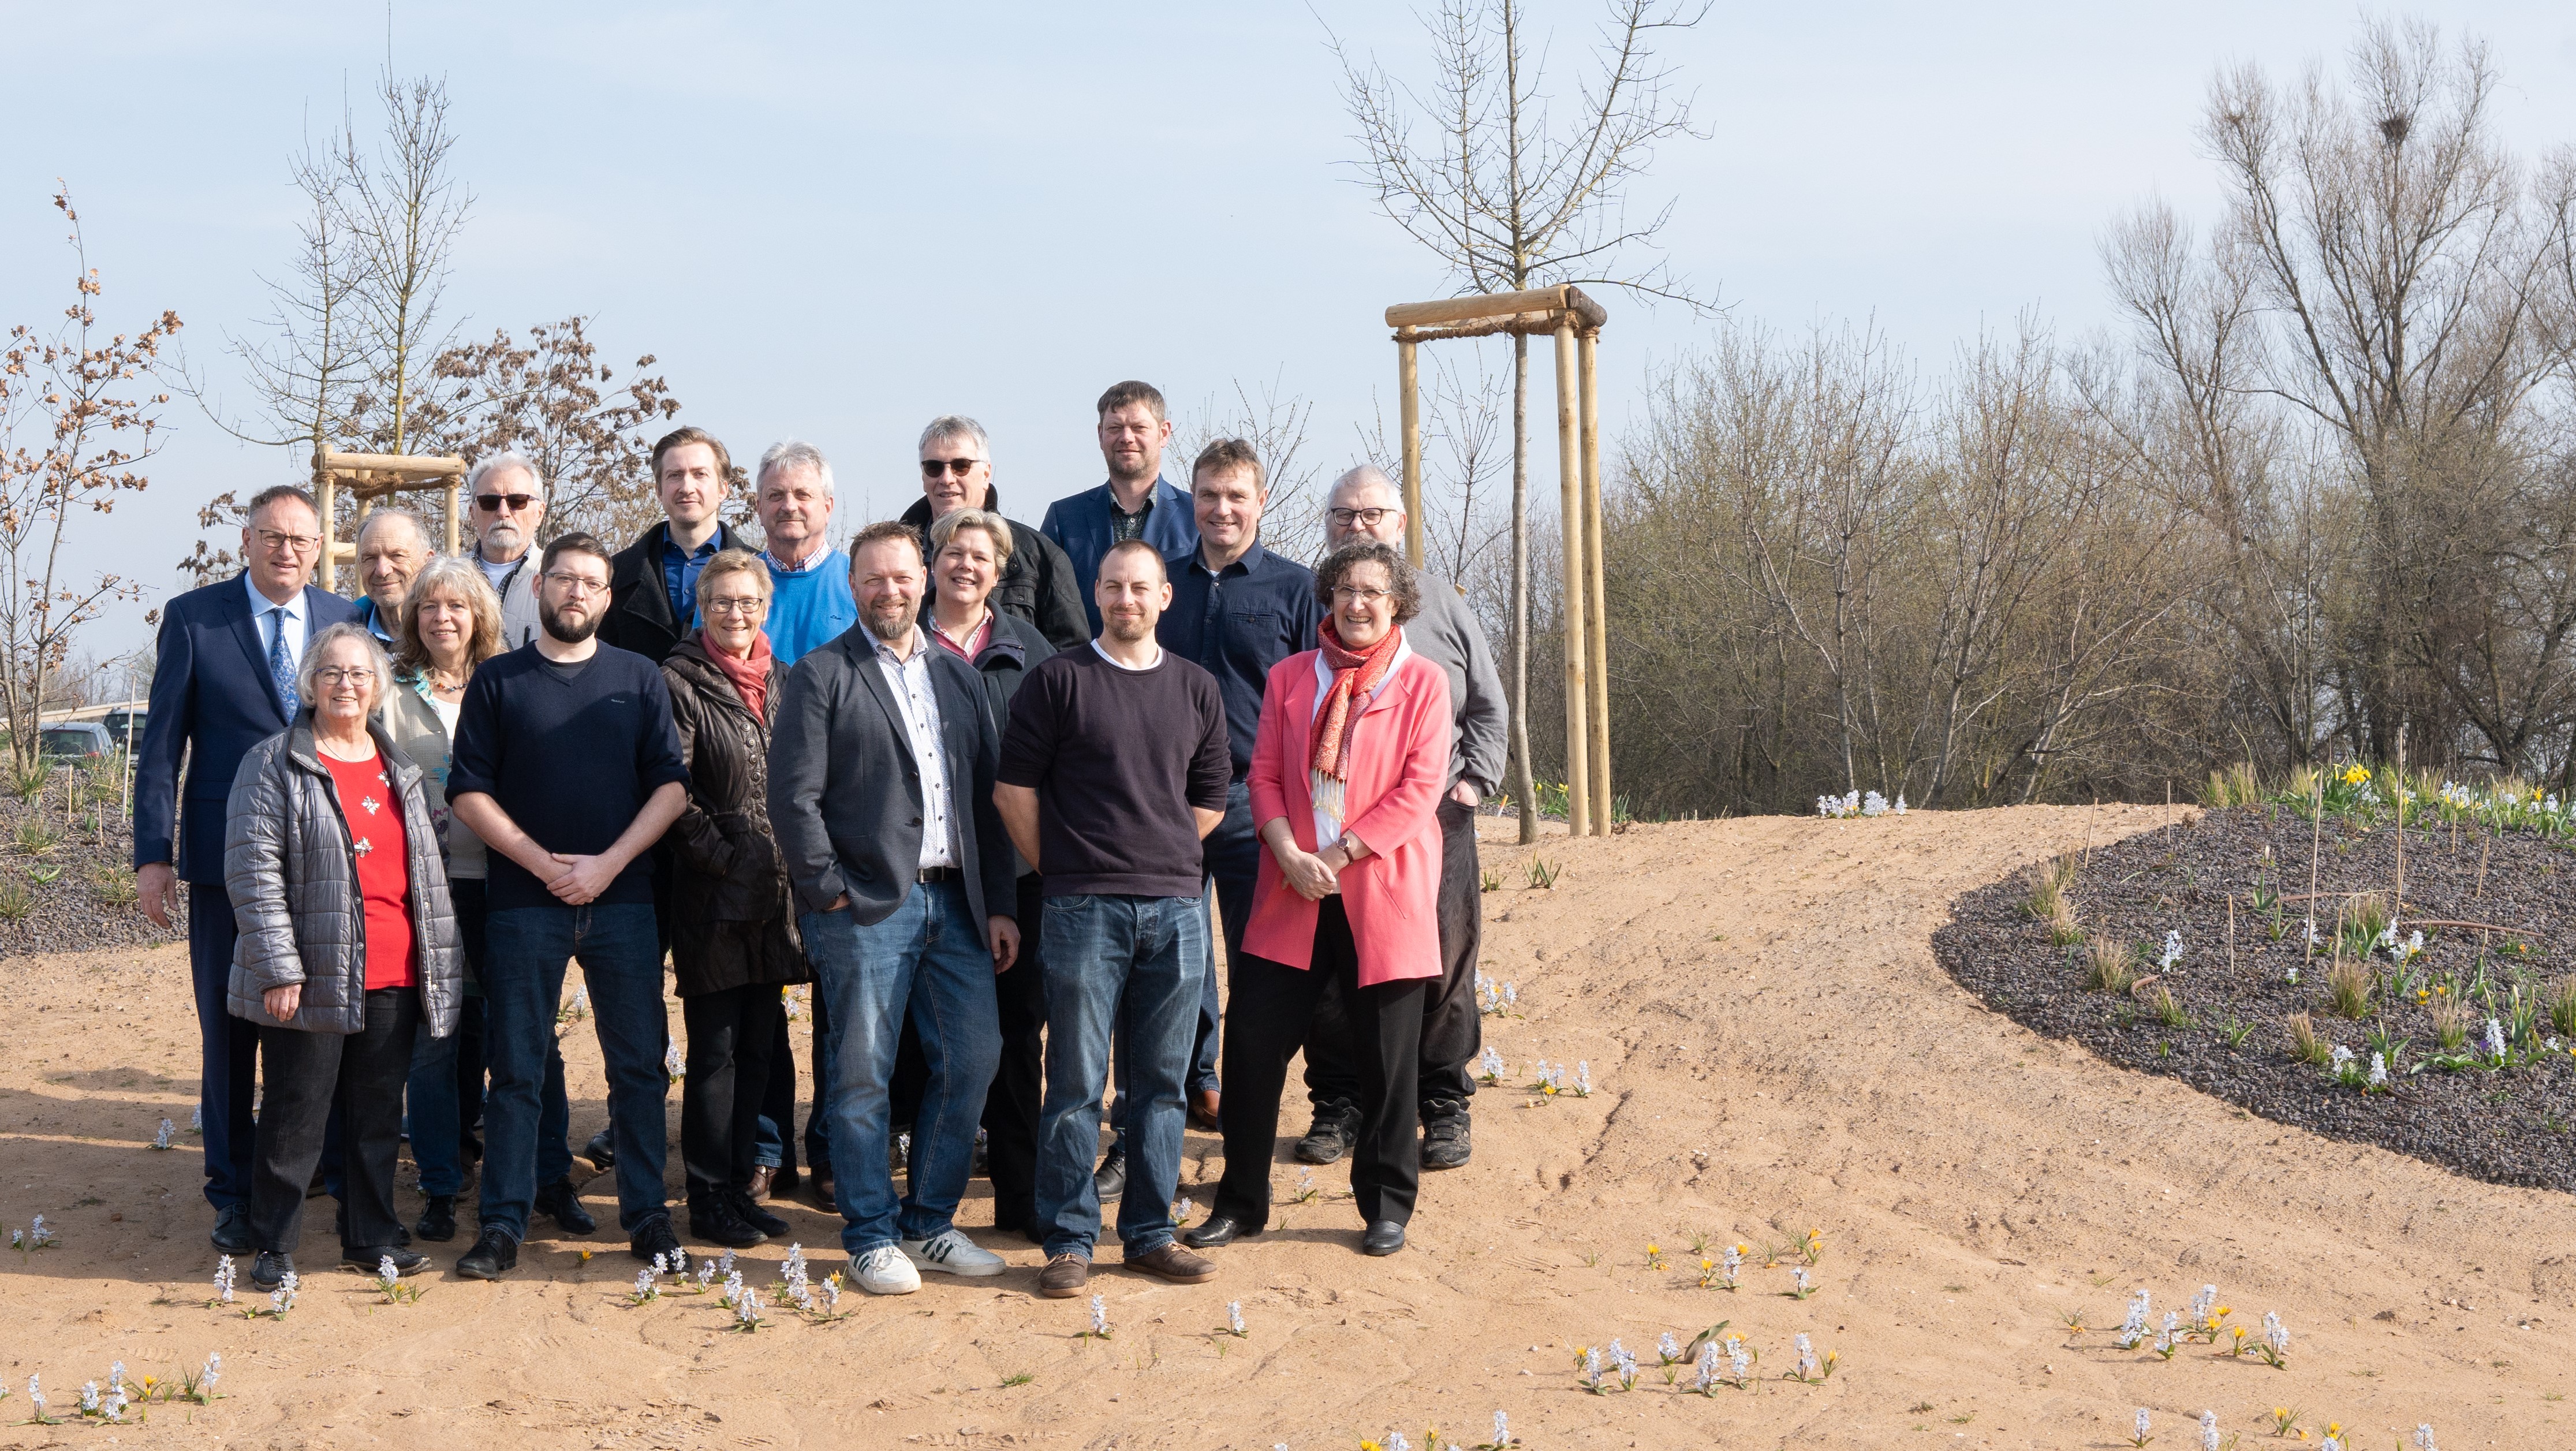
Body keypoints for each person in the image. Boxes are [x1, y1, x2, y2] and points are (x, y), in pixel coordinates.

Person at [767, 522, 1020, 1294]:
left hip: (958, 903)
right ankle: (871, 1234)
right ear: (854, 586)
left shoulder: (958, 675)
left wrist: (1000, 903)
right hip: (866, 909)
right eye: (874, 579)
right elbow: (791, 798)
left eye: (903, 577)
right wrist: (828, 890)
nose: (891, 591)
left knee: (973, 1057)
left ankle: (930, 1222)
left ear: (926, 580)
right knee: (862, 1074)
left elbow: (987, 798)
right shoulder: (821, 674)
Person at [1182, 539, 1449, 1259]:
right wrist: (1286, 851)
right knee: (1253, 1049)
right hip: (1290, 887)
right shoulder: (1290, 677)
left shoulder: (1422, 681)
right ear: (1326, 597)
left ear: (1396, 603)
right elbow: (1262, 773)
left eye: (1372, 591)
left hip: (1379, 890)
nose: (1356, 603)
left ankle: (1386, 1204)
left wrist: (1336, 854)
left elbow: (1419, 791)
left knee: (1388, 1060)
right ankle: (1240, 1201)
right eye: (1344, 590)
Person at [445, 532, 692, 1280]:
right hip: (524, 901)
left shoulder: (640, 677)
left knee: (639, 1067)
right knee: (515, 1066)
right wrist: (542, 863)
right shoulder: (498, 681)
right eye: (563, 579)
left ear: (607, 597)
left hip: (624, 901)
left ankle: (646, 1215)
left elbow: (672, 788)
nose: (575, 592)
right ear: (540, 587)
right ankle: (502, 1221)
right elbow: (467, 791)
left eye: (591, 582)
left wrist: (608, 864)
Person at [996, 539, 1231, 1298]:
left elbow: (1209, 800)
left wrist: (1156, 853)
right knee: (1073, 1081)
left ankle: (1149, 1233)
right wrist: (1069, 866)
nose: (1126, 599)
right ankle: (1069, 1240)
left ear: (1166, 597)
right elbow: (1013, 794)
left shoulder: (1195, 688)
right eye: (1113, 587)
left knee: (1160, 1084)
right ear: (1096, 594)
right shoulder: (1058, 681)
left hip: (1176, 909)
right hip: (1081, 908)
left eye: (1141, 587)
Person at [133, 484, 360, 1254]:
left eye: (301, 538)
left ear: (321, 547)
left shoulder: (345, 620)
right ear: (246, 539)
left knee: (318, 1023)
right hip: (224, 863)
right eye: (272, 535)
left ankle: (314, 1166)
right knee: (230, 1032)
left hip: (327, 865)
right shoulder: (197, 620)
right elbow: (161, 749)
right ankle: (230, 1190)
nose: (286, 550)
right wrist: (153, 857)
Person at [222, 624, 462, 1287]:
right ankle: (273, 1239)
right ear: (310, 683)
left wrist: (438, 968)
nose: (347, 685)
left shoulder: (401, 770)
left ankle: (370, 1235)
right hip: (313, 969)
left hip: (395, 967)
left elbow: (426, 871)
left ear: (378, 686)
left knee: (377, 1114)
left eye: (360, 674)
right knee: (297, 1111)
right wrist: (278, 968)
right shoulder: (274, 762)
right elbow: (252, 871)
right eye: (333, 672)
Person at [1300, 466, 1509, 1171]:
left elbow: (1485, 703)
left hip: (1431, 818)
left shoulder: (1443, 607)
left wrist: (1474, 781)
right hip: (1333, 824)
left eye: (1371, 514)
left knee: (1442, 963)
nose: (1356, 526)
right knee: (1332, 967)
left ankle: (1443, 1102)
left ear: (1400, 521)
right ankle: (1339, 1103)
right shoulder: (1311, 600)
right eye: (1343, 514)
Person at [382, 558, 585, 1244]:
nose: (443, 616)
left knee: (530, 1041)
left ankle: (550, 1174)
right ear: (414, 616)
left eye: (457, 605)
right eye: (430, 605)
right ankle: (442, 1183)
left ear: (480, 615)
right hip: (427, 890)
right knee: (435, 1044)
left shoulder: (512, 680)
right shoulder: (388, 690)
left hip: (511, 883)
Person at [1150, 438, 1324, 1162]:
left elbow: (1320, 698)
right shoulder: (1162, 585)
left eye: (1236, 496)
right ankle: (1196, 1080)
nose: (1221, 508)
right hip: (1170, 802)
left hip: (1260, 802)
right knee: (1172, 960)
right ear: (1191, 499)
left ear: (1260, 501)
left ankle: (1251, 1106)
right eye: (1209, 495)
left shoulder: (1295, 586)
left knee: (1260, 963)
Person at [660, 549, 807, 1249]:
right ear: (702, 606)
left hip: (776, 897)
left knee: (760, 1045)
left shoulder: (785, 680)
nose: (735, 613)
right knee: (714, 1052)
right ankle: (706, 1193)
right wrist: (724, 857)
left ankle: (743, 1185)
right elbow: (670, 789)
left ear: (766, 605)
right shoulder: (678, 680)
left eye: (748, 600)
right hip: (712, 896)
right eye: (721, 600)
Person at [920, 508, 1056, 1241]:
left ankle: (1018, 1189)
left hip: (1015, 880)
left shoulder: (1030, 653)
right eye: (952, 552)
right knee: (915, 1042)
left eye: (980, 555)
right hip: (922, 876)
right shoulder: (899, 641)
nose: (965, 565)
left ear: (998, 572)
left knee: (1012, 1036)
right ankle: (907, 1194)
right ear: (932, 562)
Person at [898, 415, 1087, 650]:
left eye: (961, 466)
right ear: (923, 476)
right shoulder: (896, 557)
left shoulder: (1038, 555)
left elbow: (1071, 654)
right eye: (934, 467)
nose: (947, 479)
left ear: (986, 474)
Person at [1039, 382, 1199, 635]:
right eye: (1115, 428)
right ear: (1101, 434)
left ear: (1164, 433)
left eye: (1139, 427)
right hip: (1086, 668)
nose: (1126, 437)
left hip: (1173, 669)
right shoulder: (1065, 520)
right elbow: (1045, 609)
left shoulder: (1196, 517)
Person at [602, 426, 751, 666]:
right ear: (659, 491)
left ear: (723, 489)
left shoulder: (760, 573)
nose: (687, 487)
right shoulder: (615, 574)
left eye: (700, 474)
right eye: (675, 475)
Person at [752, 438, 858, 667]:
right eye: (776, 495)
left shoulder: (861, 584)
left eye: (803, 495)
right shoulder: (730, 589)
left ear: (828, 507)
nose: (789, 506)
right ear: (759, 509)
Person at [464, 451, 549, 648]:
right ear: (472, 513)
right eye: (489, 502)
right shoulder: (445, 582)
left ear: (540, 513)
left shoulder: (558, 582)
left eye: (517, 501)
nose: (503, 512)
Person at [350, 508, 435, 645]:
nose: (382, 571)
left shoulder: (453, 629)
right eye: (370, 558)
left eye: (397, 556)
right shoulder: (343, 629)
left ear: (428, 562)